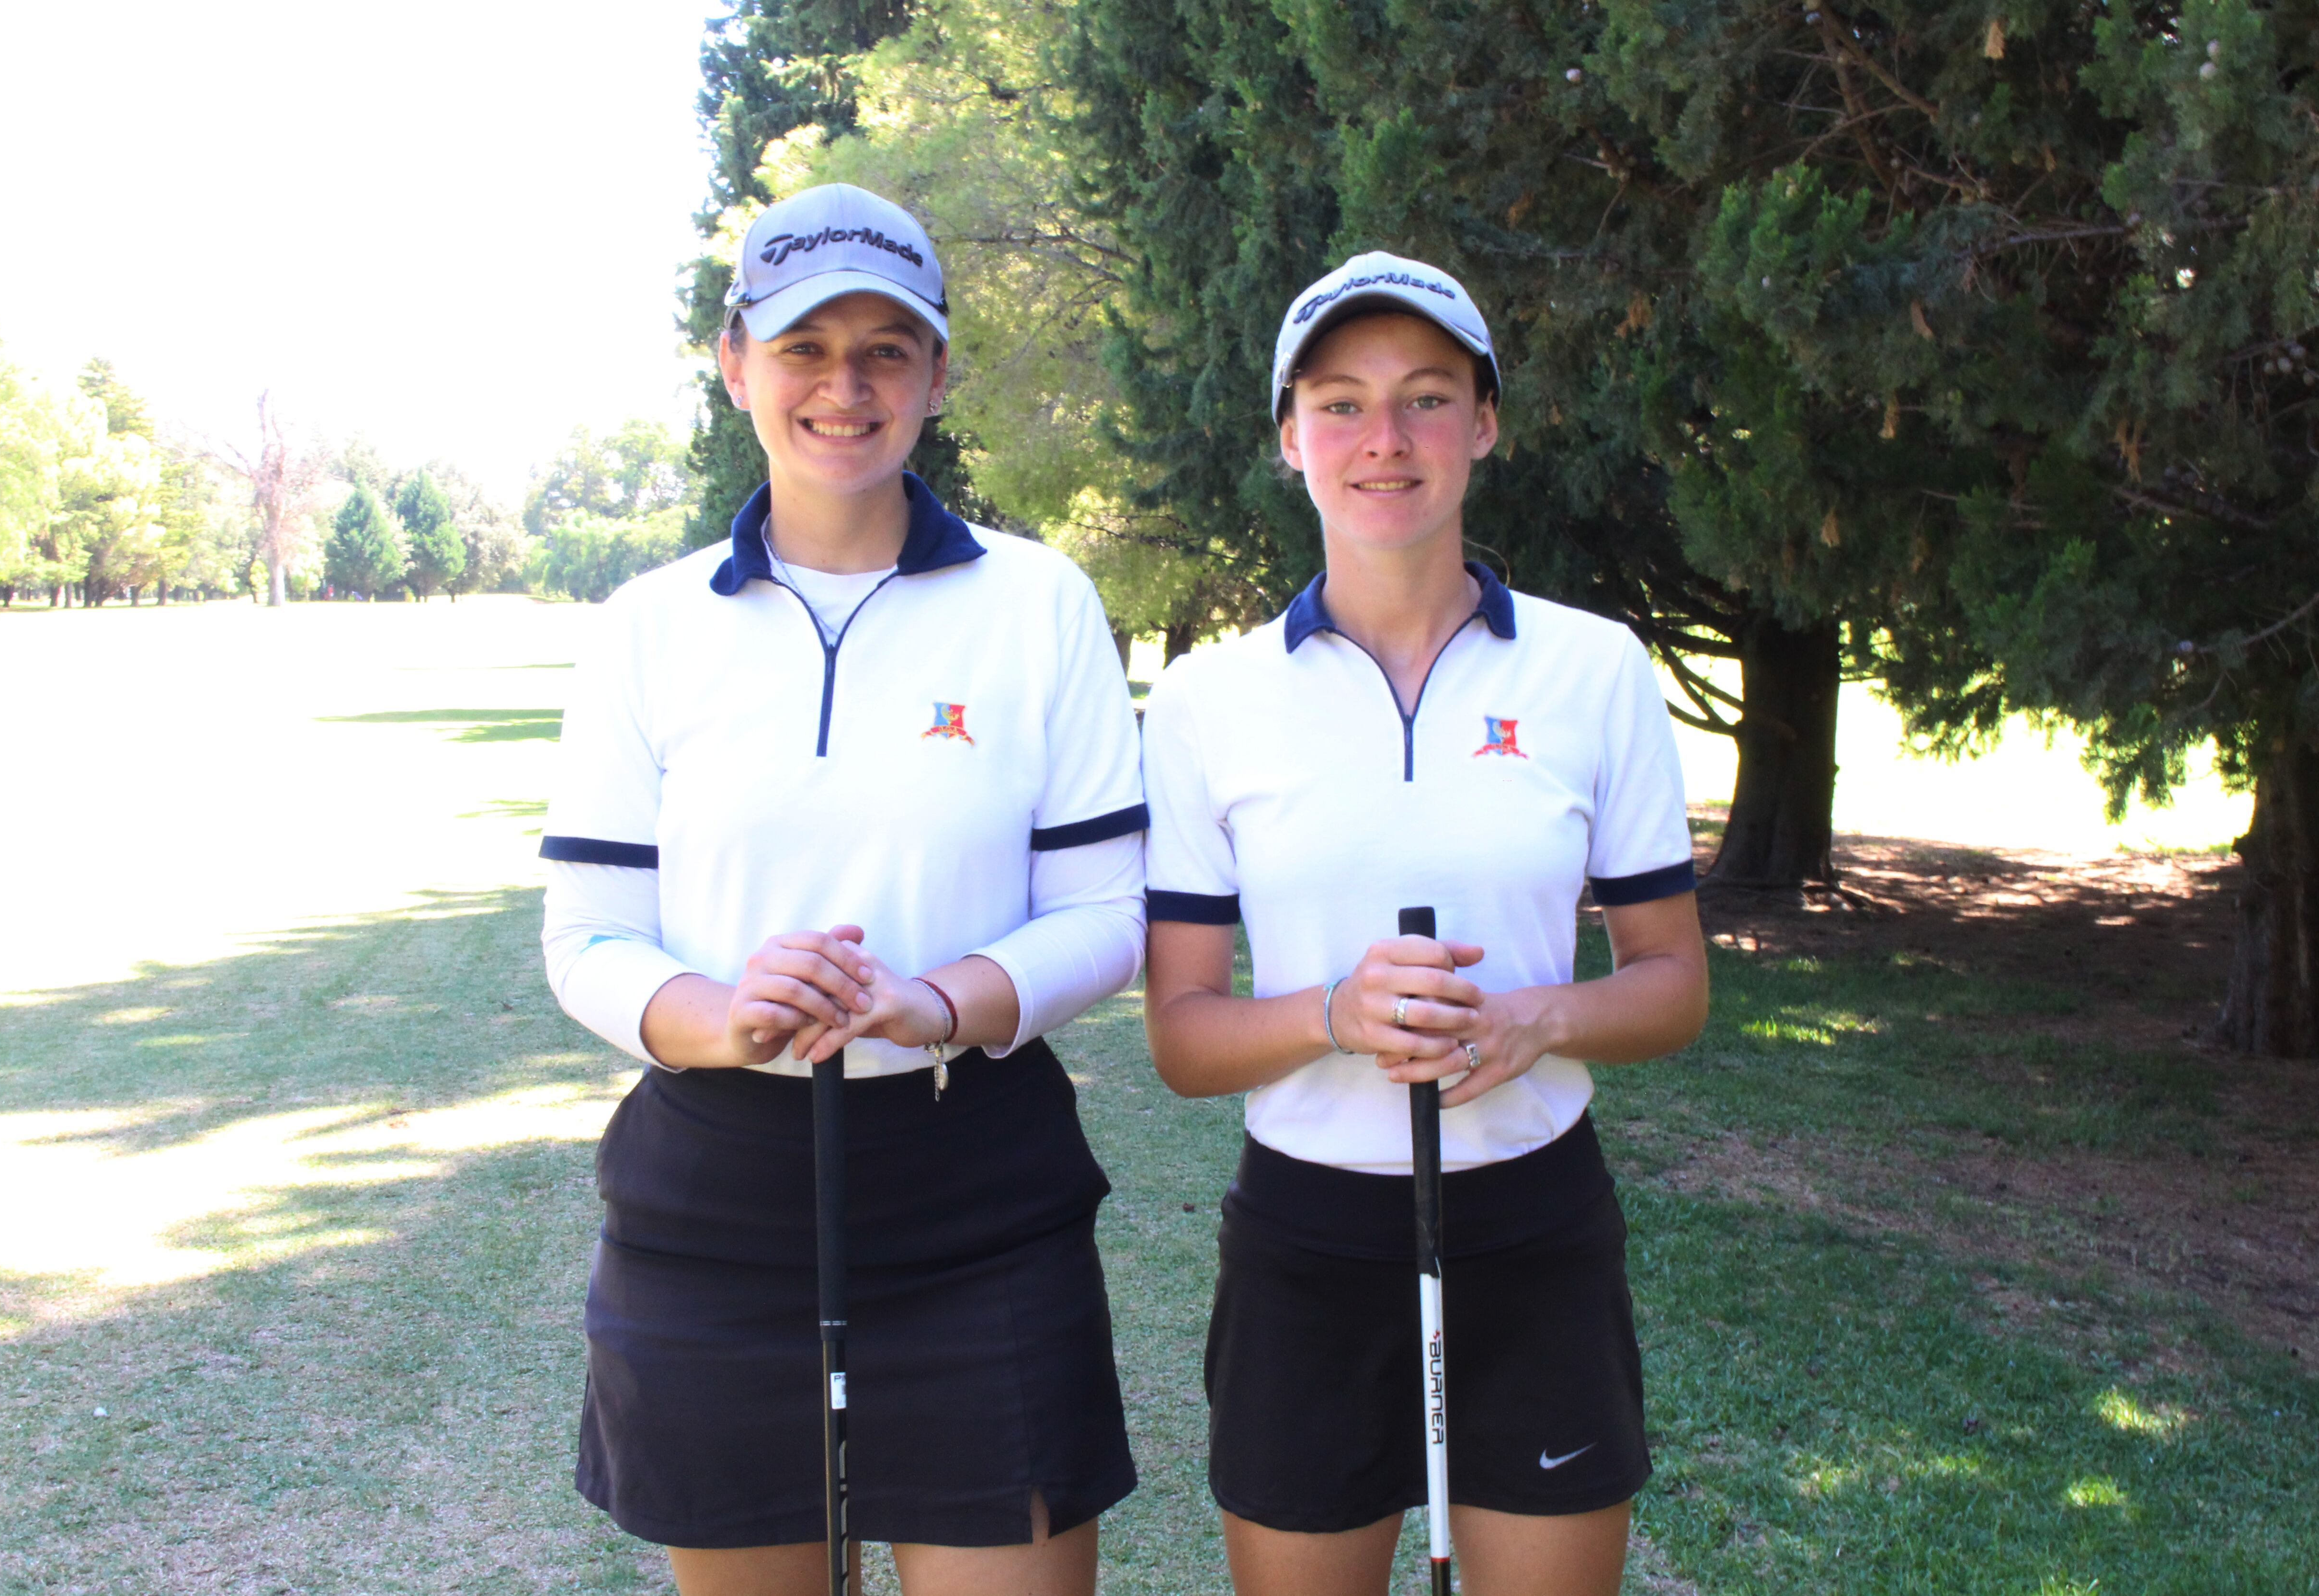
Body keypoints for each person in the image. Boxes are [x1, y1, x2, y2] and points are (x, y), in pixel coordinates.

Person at [538, 183, 1147, 1596]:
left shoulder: (1038, 601)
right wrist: (720, 1010)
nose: (845, 385)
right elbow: (587, 938)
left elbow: (1106, 914)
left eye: (886, 348)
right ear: (735, 360)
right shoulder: (646, 628)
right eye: (807, 347)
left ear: (936, 377)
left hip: (976, 1194)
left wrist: (936, 1001)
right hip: (717, 1206)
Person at [1138, 251, 1710, 1596]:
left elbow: (1674, 984)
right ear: (1290, 438)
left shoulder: (1593, 669)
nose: (1383, 440)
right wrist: (1331, 1015)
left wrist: (1535, 1019)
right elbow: (1181, 1036)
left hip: (1535, 1234)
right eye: (1339, 403)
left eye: (1427, 398)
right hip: (1306, 1245)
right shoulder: (1211, 699)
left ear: (1487, 423)